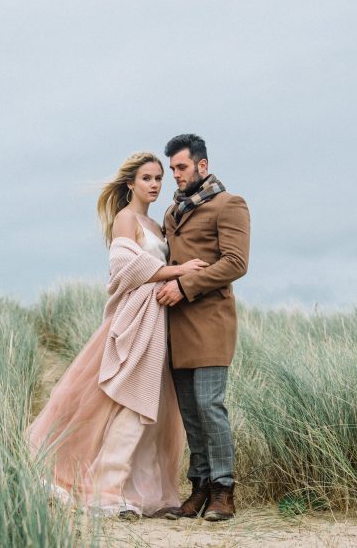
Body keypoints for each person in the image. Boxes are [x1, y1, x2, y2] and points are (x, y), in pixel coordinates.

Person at [27, 152, 206, 519]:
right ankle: (106, 494)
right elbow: (123, 266)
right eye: (147, 178)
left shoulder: (156, 226)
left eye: (159, 178)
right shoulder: (126, 219)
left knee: (151, 408)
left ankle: (133, 493)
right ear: (130, 184)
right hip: (136, 319)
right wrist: (177, 270)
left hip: (159, 322)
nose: (155, 184)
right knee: (130, 403)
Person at [157, 134, 250, 521]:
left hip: (211, 323)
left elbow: (235, 263)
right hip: (175, 328)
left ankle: (223, 492)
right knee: (191, 413)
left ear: (202, 166)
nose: (175, 175)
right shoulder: (171, 212)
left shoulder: (230, 205)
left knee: (210, 406)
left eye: (181, 167)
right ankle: (199, 488)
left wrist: (184, 285)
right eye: (172, 169)